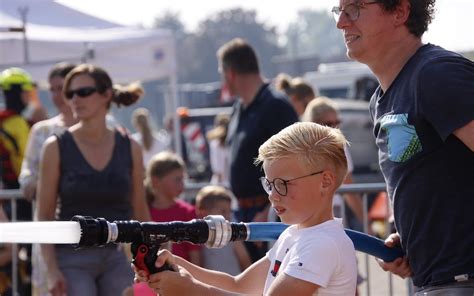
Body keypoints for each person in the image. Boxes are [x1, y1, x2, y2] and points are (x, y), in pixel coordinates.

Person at [333, 0, 474, 294]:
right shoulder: (380, 100)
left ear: (400, 11)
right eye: (339, 10)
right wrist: (408, 239)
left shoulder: (437, 74)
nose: (341, 22)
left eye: (355, 8)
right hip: (435, 283)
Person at [134, 122, 358, 295]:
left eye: (282, 184)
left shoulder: (322, 244)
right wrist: (177, 264)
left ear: (325, 182)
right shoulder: (295, 235)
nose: (272, 194)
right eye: (269, 184)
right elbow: (238, 285)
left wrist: (191, 290)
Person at [36, 63, 151, 296]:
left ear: (106, 95)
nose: (75, 99)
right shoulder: (55, 147)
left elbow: (140, 210)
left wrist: (154, 255)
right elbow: (44, 216)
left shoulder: (131, 147)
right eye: (70, 94)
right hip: (71, 256)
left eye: (84, 92)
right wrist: (51, 270)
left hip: (119, 255)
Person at [218, 38, 299, 261]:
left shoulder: (276, 106)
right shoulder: (239, 107)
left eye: (222, 74)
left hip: (271, 215)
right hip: (246, 215)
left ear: (231, 73)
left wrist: (269, 209)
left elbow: (293, 161)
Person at [17, 62, 77, 296]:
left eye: (61, 87)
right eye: (51, 89)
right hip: (50, 229)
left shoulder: (108, 129)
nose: (56, 95)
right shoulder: (41, 131)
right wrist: (51, 184)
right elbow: (26, 180)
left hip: (94, 229)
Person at [131, 151, 201, 296]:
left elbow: (195, 256)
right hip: (149, 284)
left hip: (181, 282)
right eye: (177, 179)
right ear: (156, 181)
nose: (182, 184)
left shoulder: (187, 212)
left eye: (183, 179)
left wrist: (195, 283)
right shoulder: (143, 213)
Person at [302, 96, 364, 227]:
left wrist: (366, 223)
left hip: (332, 210)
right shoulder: (300, 146)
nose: (335, 128)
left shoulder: (339, 145)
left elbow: (348, 186)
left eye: (338, 122)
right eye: (329, 124)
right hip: (306, 212)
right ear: (314, 122)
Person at [195, 185, 251, 274]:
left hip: (234, 283)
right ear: (204, 213)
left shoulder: (230, 234)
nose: (228, 216)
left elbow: (244, 260)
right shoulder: (197, 236)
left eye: (230, 211)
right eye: (223, 211)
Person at [206, 113, 231, 186]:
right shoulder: (232, 142)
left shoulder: (214, 144)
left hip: (221, 183)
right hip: (230, 182)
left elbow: (217, 169)